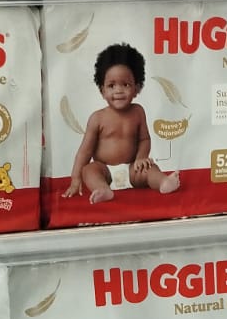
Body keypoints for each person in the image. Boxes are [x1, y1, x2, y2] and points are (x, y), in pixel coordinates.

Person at [63, 42, 180, 205]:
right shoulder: (97, 118)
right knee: (89, 170)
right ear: (102, 91)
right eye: (111, 86)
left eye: (125, 84)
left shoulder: (138, 112)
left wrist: (141, 158)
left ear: (137, 88)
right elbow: (84, 152)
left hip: (132, 169)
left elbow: (144, 139)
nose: (118, 90)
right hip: (105, 170)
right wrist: (75, 179)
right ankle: (102, 189)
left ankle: (163, 182)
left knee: (150, 168)